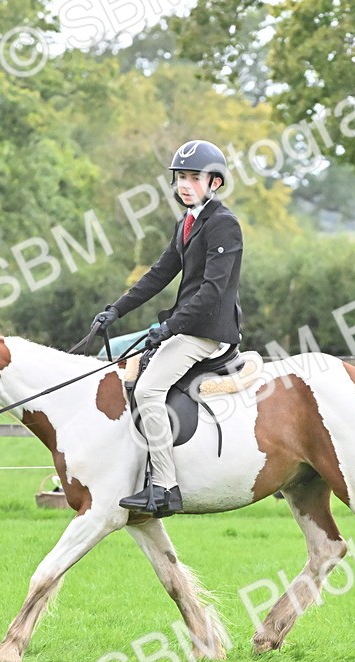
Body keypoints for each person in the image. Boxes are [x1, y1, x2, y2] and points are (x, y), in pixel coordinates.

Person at [86, 140, 243, 517]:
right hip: (186, 326)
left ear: (215, 182)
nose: (184, 185)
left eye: (194, 178)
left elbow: (212, 291)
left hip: (208, 332)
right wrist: (115, 310)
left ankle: (165, 487)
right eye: (180, 177)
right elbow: (158, 275)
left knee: (149, 389)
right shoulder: (186, 223)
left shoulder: (224, 225)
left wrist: (170, 327)